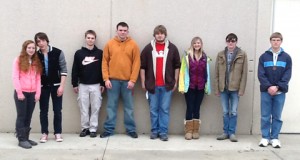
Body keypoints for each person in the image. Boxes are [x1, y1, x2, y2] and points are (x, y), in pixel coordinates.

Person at [140, 25, 181, 141]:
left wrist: (175, 81)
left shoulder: (172, 48)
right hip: (152, 85)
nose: (160, 35)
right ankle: (154, 131)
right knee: (153, 110)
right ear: (154, 35)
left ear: (165, 34)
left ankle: (163, 132)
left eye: (162, 33)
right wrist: (143, 82)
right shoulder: (148, 48)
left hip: (167, 85)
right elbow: (142, 67)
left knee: (164, 109)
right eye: (157, 33)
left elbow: (177, 66)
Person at [100, 22, 140, 138]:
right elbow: (104, 62)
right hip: (113, 81)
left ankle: (131, 129)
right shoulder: (109, 44)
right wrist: (106, 79)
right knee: (111, 106)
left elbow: (136, 64)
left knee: (129, 107)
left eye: (125, 30)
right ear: (117, 31)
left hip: (128, 82)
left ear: (128, 31)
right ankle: (108, 129)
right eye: (120, 30)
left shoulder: (133, 45)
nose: (122, 32)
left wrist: (132, 80)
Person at [258, 32, 292, 148]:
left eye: (278, 40)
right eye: (273, 40)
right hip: (266, 91)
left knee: (277, 116)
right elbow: (261, 74)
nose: (275, 42)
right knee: (265, 116)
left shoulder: (286, 57)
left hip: (280, 92)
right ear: (270, 41)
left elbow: (287, 74)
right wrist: (269, 86)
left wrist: (277, 87)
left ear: (281, 41)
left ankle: (275, 138)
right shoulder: (263, 57)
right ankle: (265, 137)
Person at [34, 32, 68, 143]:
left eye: (42, 40)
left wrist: (62, 86)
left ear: (47, 41)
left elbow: (64, 70)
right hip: (43, 87)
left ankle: (58, 133)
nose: (41, 43)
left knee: (57, 110)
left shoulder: (58, 52)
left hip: (56, 86)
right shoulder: (35, 55)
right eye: (38, 41)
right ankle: (44, 133)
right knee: (43, 111)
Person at [214, 33, 248, 142]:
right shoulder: (220, 54)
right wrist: (217, 89)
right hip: (223, 88)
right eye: (228, 40)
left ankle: (232, 133)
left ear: (236, 42)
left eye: (233, 41)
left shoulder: (242, 54)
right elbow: (216, 73)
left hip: (235, 88)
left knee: (233, 111)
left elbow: (244, 73)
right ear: (226, 42)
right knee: (225, 111)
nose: (230, 43)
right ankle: (225, 132)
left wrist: (242, 89)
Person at [72, 30, 105, 138]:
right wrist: (74, 84)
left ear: (95, 39)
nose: (90, 40)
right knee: (83, 108)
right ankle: (84, 128)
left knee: (96, 107)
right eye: (88, 38)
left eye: (92, 38)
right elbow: (75, 69)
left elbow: (103, 69)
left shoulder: (100, 53)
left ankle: (93, 129)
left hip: (96, 85)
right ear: (85, 38)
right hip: (83, 85)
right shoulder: (78, 53)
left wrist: (102, 83)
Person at [12, 40, 43, 149]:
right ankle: (21, 139)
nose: (31, 50)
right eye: (29, 48)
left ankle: (26, 137)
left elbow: (38, 78)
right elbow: (15, 77)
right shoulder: (18, 60)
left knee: (28, 116)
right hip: (22, 93)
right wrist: (19, 92)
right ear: (25, 48)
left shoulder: (36, 61)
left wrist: (38, 93)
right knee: (22, 116)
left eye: (33, 48)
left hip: (32, 93)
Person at [178, 36, 209, 140]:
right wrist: (181, 86)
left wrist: (207, 86)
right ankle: (188, 131)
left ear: (201, 44)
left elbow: (207, 73)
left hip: (200, 87)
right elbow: (182, 72)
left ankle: (195, 130)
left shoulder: (204, 56)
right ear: (192, 44)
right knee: (190, 107)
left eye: (198, 43)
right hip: (189, 87)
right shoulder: (187, 56)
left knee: (197, 108)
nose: (197, 45)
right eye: (195, 43)